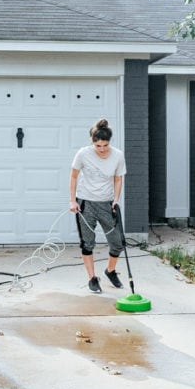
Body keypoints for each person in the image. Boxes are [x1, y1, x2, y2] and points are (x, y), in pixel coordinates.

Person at [69, 118, 126, 293]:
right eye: (98, 146)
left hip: (107, 203)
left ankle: (110, 271)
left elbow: (118, 178)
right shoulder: (83, 154)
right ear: (92, 142)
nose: (102, 149)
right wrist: (72, 201)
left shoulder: (118, 155)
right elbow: (73, 176)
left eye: (105, 145)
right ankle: (92, 278)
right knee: (88, 243)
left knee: (117, 243)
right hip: (85, 203)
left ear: (110, 142)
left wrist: (116, 199)